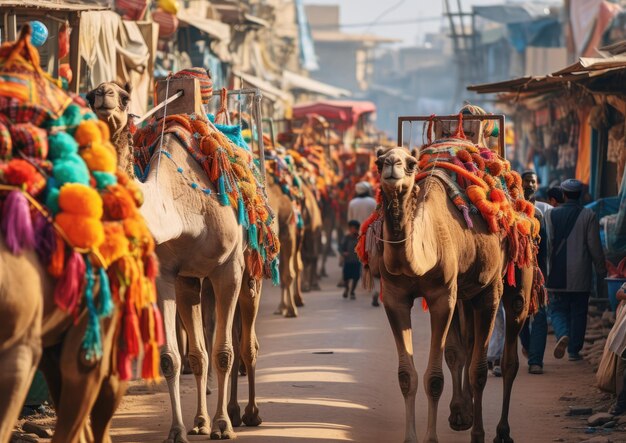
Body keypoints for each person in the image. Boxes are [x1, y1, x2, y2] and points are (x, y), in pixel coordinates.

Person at [546, 179, 607, 361]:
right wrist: (601, 270)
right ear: (580, 195)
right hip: (580, 274)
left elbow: (548, 245)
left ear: (563, 195)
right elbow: (595, 247)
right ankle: (574, 351)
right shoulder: (589, 215)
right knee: (579, 312)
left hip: (556, 273)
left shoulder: (551, 215)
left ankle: (563, 333)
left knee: (556, 309)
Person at [519, 170, 550, 374]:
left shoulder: (539, 213)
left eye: (533, 182)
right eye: (527, 181)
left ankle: (535, 360)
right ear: (520, 184)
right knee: (519, 315)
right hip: (516, 271)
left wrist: (543, 273)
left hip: (535, 270)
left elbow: (545, 246)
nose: (530, 185)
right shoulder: (512, 208)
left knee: (539, 315)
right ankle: (530, 349)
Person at [347, 181, 379, 306]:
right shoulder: (372, 201)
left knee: (361, 259)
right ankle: (373, 286)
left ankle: (364, 283)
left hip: (357, 234)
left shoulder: (352, 203)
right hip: (372, 233)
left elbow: (350, 221)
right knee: (372, 258)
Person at [340, 220, 361, 300]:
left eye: (354, 228)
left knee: (356, 277)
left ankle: (352, 291)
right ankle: (346, 289)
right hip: (348, 261)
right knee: (346, 277)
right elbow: (341, 247)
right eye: (351, 228)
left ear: (356, 229)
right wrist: (343, 253)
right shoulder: (346, 238)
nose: (352, 230)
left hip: (356, 261)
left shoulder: (360, 238)